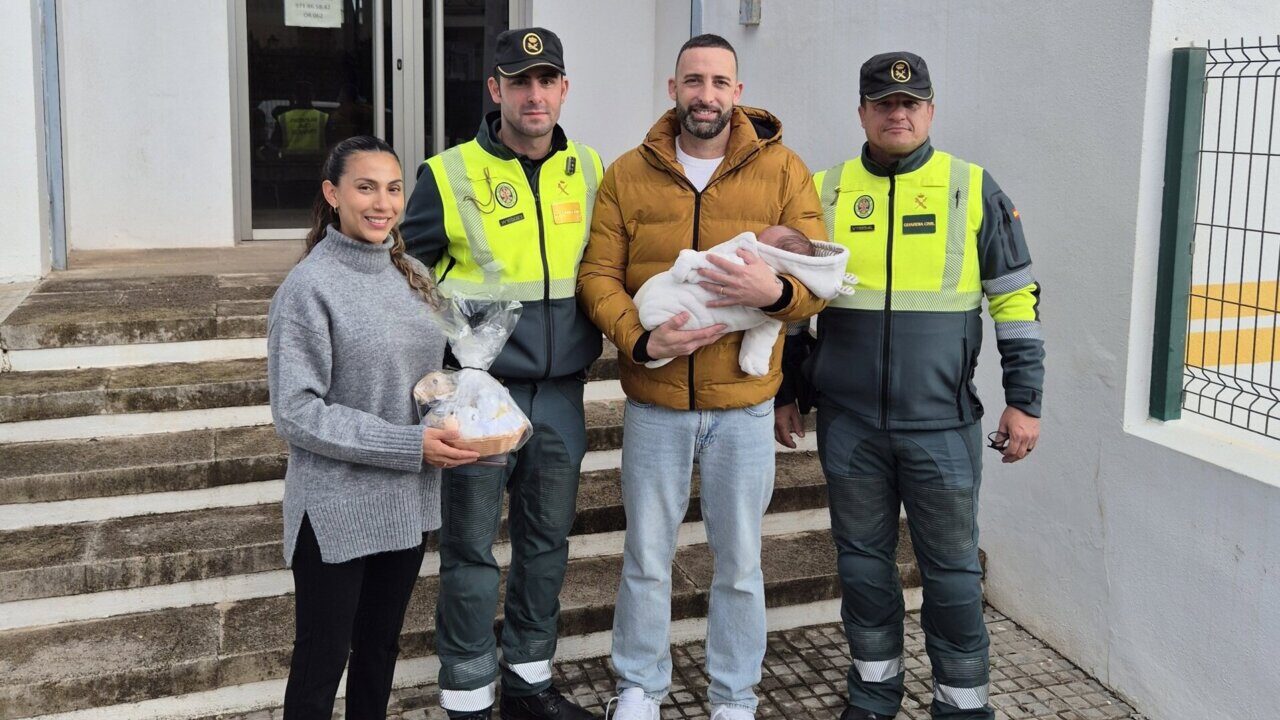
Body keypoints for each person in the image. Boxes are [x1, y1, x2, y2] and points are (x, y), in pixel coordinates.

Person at [775, 52, 1045, 720]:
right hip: (850, 424)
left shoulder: (972, 188)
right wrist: (789, 391)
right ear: (862, 111)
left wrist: (1025, 400)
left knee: (953, 576)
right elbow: (797, 306)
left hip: (941, 424)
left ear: (930, 110)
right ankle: (872, 696)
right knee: (864, 572)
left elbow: (1016, 301)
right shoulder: (826, 191)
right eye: (883, 103)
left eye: (911, 103)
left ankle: (961, 704)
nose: (898, 113)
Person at [577, 33, 827, 720]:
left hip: (744, 408)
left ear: (738, 92)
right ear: (673, 89)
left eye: (720, 82)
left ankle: (734, 697)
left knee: (741, 565)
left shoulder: (783, 171)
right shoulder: (629, 173)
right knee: (647, 557)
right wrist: (639, 336)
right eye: (694, 81)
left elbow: (817, 277)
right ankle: (638, 688)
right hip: (656, 401)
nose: (706, 95)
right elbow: (597, 273)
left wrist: (775, 295)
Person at [400, 26, 603, 720]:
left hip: (561, 395)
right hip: (480, 396)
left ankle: (529, 683)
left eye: (548, 81)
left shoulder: (591, 169)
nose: (535, 94)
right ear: (496, 90)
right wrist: (431, 380)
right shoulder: (448, 172)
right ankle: (465, 695)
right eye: (520, 82)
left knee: (547, 546)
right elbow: (406, 278)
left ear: (565, 89)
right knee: (470, 552)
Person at [268, 135, 481, 720]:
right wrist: (408, 444)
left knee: (379, 651)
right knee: (322, 660)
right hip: (336, 509)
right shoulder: (308, 289)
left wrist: (471, 408)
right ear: (333, 194)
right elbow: (296, 411)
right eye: (366, 187)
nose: (382, 203)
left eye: (392, 188)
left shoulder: (412, 273)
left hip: (405, 502)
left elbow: (436, 374)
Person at [634, 225, 854, 376]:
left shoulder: (747, 264)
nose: (756, 239)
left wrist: (778, 296)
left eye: (762, 239)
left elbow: (709, 263)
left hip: (743, 397)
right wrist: (641, 345)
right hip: (658, 381)